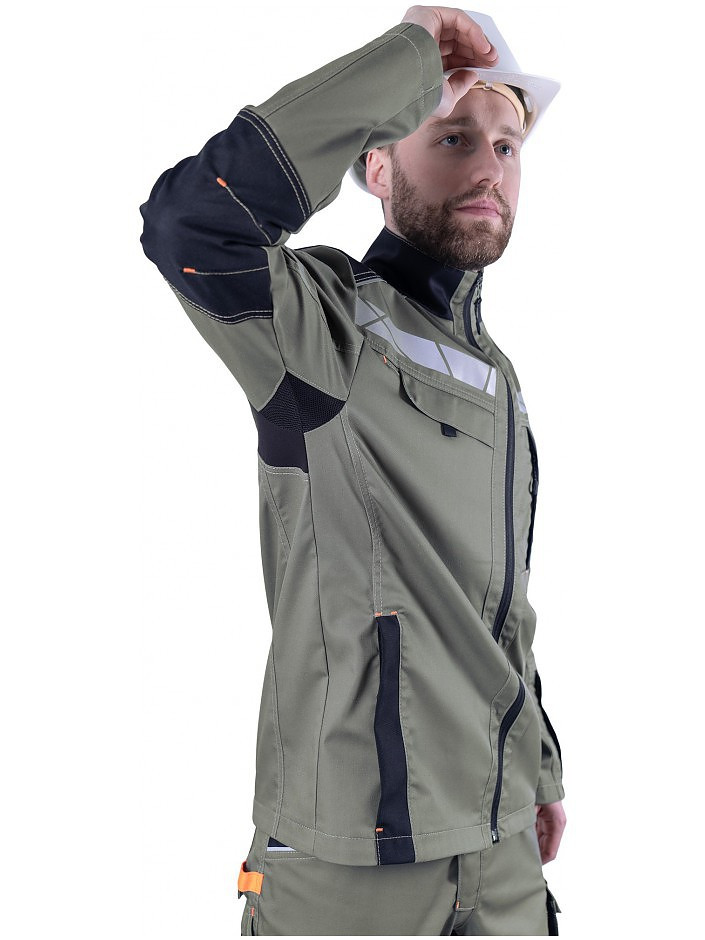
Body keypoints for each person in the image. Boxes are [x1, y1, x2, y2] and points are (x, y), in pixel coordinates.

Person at [140, 5, 566, 935]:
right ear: (376, 166)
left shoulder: (498, 374)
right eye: (452, 136)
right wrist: (408, 60)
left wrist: (536, 768)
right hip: (350, 866)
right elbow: (192, 222)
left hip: (500, 847)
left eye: (506, 145)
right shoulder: (322, 327)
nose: (489, 167)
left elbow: (499, 605)